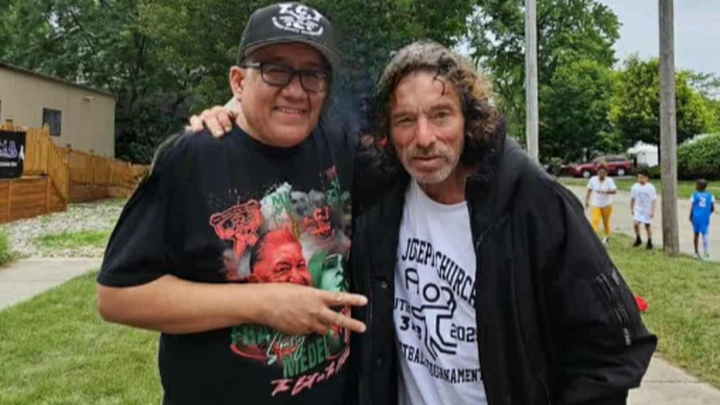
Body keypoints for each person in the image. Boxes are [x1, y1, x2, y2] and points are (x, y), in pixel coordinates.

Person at [192, 41, 656, 405]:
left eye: (441, 115)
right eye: (404, 120)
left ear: (470, 118)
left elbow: (615, 348)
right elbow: (288, 131)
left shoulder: (531, 200)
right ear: (387, 131)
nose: (424, 138)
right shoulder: (379, 192)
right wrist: (237, 111)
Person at [96, 3, 368, 405]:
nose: (296, 90)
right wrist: (262, 303)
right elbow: (118, 296)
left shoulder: (339, 146)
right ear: (239, 82)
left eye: (312, 74)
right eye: (275, 69)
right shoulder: (192, 159)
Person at [585, 162, 618, 244]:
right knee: (595, 220)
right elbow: (589, 191)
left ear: (606, 173)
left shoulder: (609, 181)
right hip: (596, 203)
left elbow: (614, 191)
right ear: (597, 172)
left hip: (606, 204)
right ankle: (593, 237)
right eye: (600, 172)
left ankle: (607, 237)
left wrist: (606, 191)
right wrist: (587, 201)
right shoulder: (593, 179)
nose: (601, 174)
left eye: (603, 173)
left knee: (606, 222)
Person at [630, 170, 657, 250]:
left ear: (646, 178)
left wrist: (652, 210)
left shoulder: (650, 187)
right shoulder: (635, 187)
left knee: (647, 225)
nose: (640, 179)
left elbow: (653, 200)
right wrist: (632, 207)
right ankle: (638, 238)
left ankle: (649, 241)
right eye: (638, 177)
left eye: (641, 177)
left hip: (647, 209)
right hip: (638, 208)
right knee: (635, 223)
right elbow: (632, 198)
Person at [690, 178, 715, 260]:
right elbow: (712, 208)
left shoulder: (694, 195)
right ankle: (706, 253)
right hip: (705, 217)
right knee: (705, 234)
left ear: (699, 186)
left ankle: (696, 252)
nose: (695, 186)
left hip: (696, 217)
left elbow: (692, 207)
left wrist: (690, 216)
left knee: (696, 234)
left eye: (696, 185)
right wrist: (707, 213)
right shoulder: (710, 196)